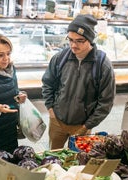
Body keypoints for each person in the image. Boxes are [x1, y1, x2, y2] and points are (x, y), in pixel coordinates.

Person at [42, 14, 116, 150]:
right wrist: (51, 110)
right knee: (53, 156)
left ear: (90, 40)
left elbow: (106, 101)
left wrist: (87, 126)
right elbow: (47, 83)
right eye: (70, 40)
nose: (73, 45)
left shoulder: (102, 65)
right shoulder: (60, 58)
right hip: (57, 121)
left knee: (78, 160)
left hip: (82, 125)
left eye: (79, 41)